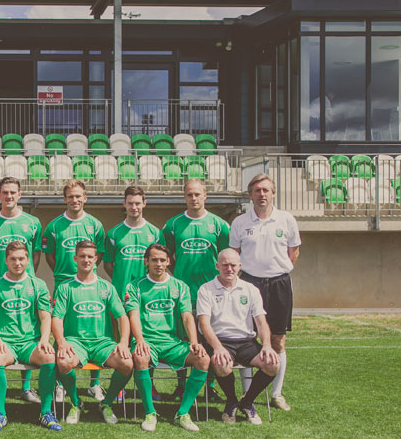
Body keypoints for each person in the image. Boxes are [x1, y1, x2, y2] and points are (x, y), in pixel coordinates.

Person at [229, 173, 301, 413]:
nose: (262, 194)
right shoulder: (240, 222)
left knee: (278, 340)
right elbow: (234, 253)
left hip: (279, 284)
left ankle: (277, 393)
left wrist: (277, 271)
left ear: (273, 193)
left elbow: (294, 252)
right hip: (249, 284)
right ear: (250, 195)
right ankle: (247, 395)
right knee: (246, 338)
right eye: (257, 190)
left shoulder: (287, 219)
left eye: (266, 190)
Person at [126, 243, 210, 433]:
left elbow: (187, 316)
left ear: (169, 262)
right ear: (146, 262)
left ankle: (183, 412)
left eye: (162, 260)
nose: (159, 264)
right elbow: (134, 316)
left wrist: (194, 342)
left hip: (172, 343)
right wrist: (139, 340)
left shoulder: (179, 286)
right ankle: (150, 413)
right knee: (140, 357)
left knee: (203, 359)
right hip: (147, 341)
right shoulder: (135, 286)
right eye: (154, 260)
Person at [51, 240, 133, 425]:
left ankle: (106, 403)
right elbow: (56, 318)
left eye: (90, 256)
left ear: (96, 259)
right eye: (82, 256)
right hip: (76, 342)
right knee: (63, 363)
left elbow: (122, 317)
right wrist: (62, 341)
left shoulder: (107, 288)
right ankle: (75, 402)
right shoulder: (65, 287)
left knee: (127, 363)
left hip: (102, 343)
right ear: (75, 258)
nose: (86, 260)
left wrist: (123, 342)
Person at [196, 249, 279, 425]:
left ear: (240, 266)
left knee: (273, 364)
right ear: (217, 266)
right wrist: (217, 348)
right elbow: (204, 324)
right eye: (225, 265)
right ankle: (231, 401)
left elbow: (261, 322)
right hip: (220, 341)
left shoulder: (250, 289)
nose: (229, 268)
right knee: (221, 364)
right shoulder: (206, 289)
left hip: (246, 342)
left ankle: (247, 402)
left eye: (233, 265)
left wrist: (266, 345)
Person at [0, 176, 43, 403]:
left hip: (26, 286)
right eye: (5, 192)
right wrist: (0, 275)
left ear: (19, 194)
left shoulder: (33, 222)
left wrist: (23, 276)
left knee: (27, 331)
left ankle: (26, 387)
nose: (9, 196)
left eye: (13, 192)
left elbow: (35, 257)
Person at [42, 178, 106, 402]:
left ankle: (94, 384)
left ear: (85, 198)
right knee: (63, 335)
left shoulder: (95, 225)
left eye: (78, 196)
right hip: (64, 284)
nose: (75, 200)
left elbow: (101, 255)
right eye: (70, 196)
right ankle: (60, 383)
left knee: (95, 332)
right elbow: (50, 256)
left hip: (90, 285)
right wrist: (63, 273)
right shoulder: (54, 226)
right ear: (64, 199)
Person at [0, 241, 60, 431]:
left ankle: (45, 412)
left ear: (28, 260)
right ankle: (0, 413)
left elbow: (45, 316)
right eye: (13, 259)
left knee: (49, 356)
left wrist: (44, 339)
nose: (17, 263)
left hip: (30, 343)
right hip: (6, 342)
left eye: (21, 259)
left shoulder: (38, 284)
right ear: (6, 260)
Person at [162, 179, 231, 309]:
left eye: (197, 194)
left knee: (210, 328)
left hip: (212, 289)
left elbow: (226, 257)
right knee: (185, 328)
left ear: (205, 195)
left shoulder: (220, 224)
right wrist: (179, 271)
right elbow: (165, 257)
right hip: (182, 289)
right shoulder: (172, 225)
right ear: (184, 197)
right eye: (189, 195)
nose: (193, 198)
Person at [103, 184, 163, 303]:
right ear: (124, 204)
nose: (134, 207)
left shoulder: (156, 233)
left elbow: (161, 264)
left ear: (144, 203)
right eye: (130, 203)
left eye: (137, 203)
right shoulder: (113, 234)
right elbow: (108, 265)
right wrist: (121, 279)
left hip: (148, 294)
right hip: (122, 294)